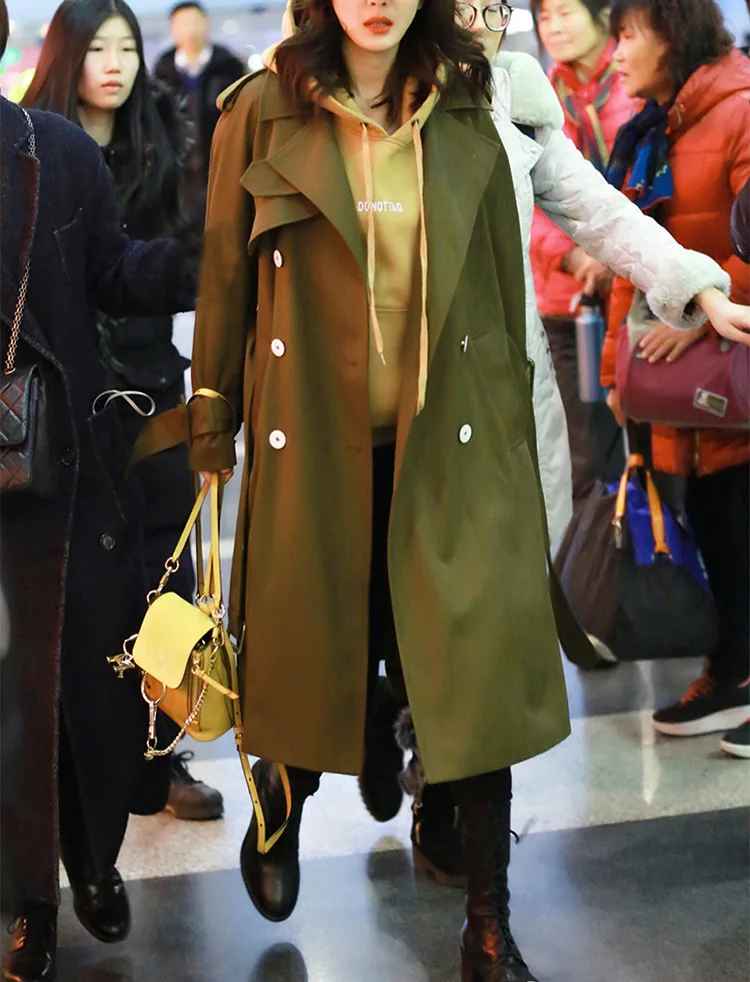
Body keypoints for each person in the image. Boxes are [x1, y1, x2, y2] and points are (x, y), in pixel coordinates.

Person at [354, 0, 750, 889]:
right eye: (465, 5)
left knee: (475, 611)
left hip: (489, 395)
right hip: (379, 399)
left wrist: (695, 288)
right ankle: (381, 714)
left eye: (497, 7)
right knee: (385, 598)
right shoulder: (362, 90)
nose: (482, 23)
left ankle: (446, 804)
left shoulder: (513, 90)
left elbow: (595, 208)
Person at [0, 1, 196, 978]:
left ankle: (84, 855)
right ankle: (29, 899)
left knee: (73, 683)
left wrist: (205, 258)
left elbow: (116, 271)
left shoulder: (55, 151)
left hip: (52, 472)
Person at [23, 0, 224, 824]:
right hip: (59, 406)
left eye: (128, 48)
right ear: (64, 55)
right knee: (79, 592)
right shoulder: (34, 149)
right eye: (97, 47)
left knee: (167, 578)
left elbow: (156, 265)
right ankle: (80, 767)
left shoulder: (170, 145)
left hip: (149, 392)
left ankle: (161, 752)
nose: (115, 63)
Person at [601, 0, 750, 749]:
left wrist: (696, 306)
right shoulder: (656, 129)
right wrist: (615, 366)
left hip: (731, 367)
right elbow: (630, 257)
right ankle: (731, 673)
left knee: (739, 521)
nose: (617, 53)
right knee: (716, 525)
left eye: (628, 35)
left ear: (674, 32)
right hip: (687, 384)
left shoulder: (739, 110)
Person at [529, 0, 638, 501]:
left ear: (601, 14)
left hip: (636, 292)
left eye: (564, 12)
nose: (552, 27)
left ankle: (651, 544)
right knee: (581, 452)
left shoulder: (635, 76)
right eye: (543, 16)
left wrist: (617, 254)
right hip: (565, 301)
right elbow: (527, 193)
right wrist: (576, 257)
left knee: (648, 444)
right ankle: (593, 548)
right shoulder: (536, 93)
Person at [153, 1, 245, 237]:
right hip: (179, 173)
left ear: (207, 24)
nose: (191, 30)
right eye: (183, 23)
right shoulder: (162, 72)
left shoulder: (229, 68)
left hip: (222, 166)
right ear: (172, 29)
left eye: (196, 21)